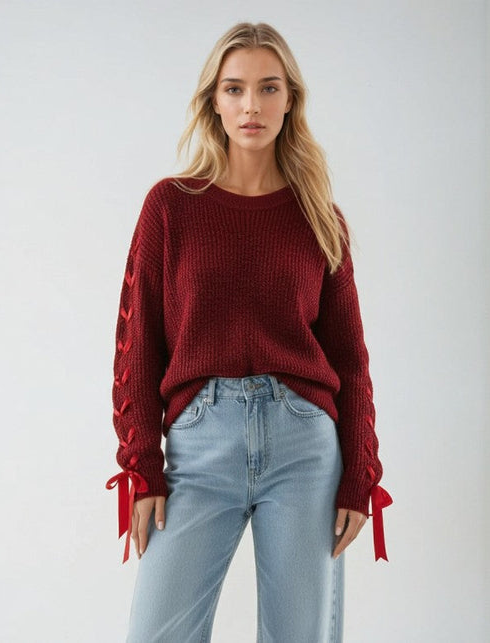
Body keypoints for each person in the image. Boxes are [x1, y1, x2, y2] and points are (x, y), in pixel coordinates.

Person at [105, 21, 393, 643]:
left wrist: (360, 473)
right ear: (214, 100)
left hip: (304, 446)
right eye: (235, 89)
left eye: (268, 88)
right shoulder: (171, 207)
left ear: (290, 100)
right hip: (199, 445)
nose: (251, 106)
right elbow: (137, 343)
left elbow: (350, 358)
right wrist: (142, 464)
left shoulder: (320, 218)